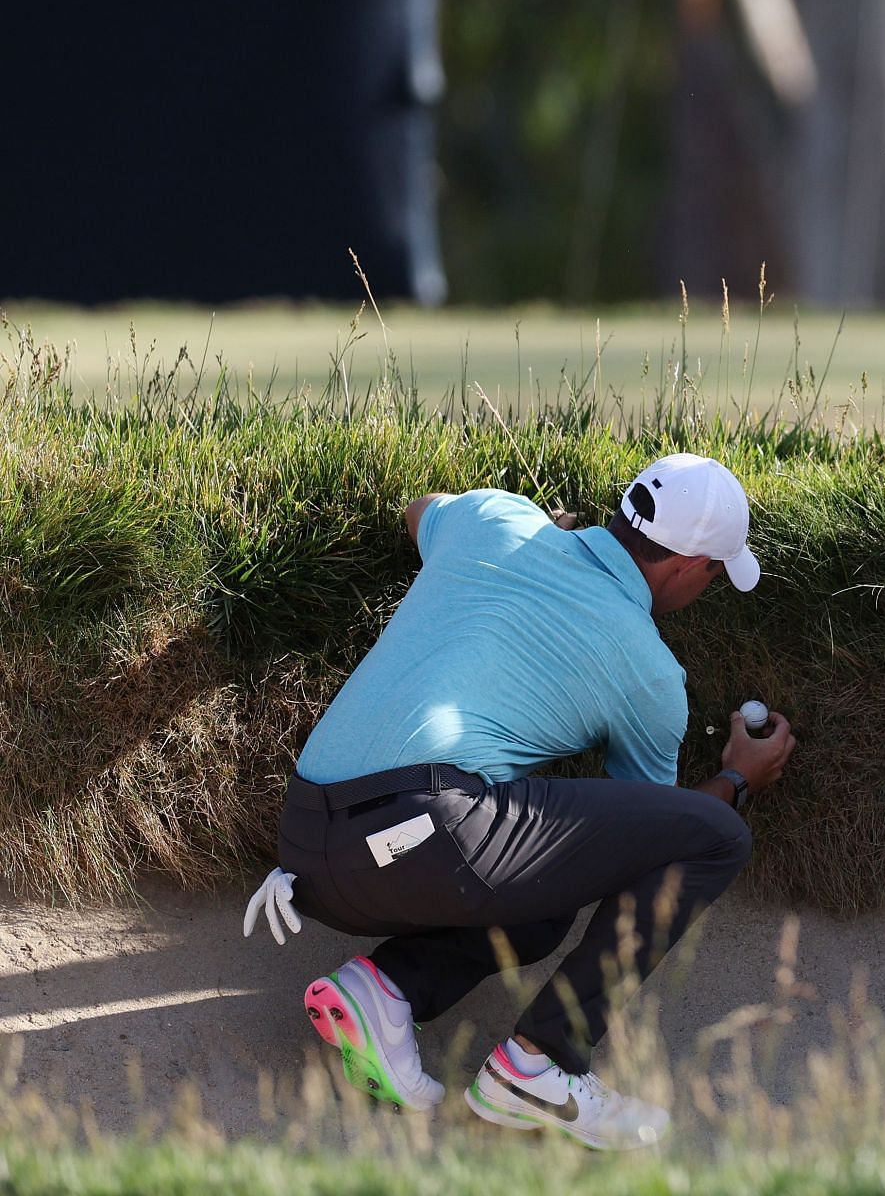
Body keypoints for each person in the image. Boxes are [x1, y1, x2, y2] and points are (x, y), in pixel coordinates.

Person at [241, 453, 797, 1151]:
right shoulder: (649, 671)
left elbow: (419, 508)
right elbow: (648, 844)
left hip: (308, 850)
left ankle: (385, 991)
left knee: (542, 905)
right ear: (688, 566)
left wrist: (540, 526)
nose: (708, 586)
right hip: (424, 834)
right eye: (716, 573)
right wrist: (738, 782)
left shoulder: (492, 516)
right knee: (717, 835)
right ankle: (539, 1067)